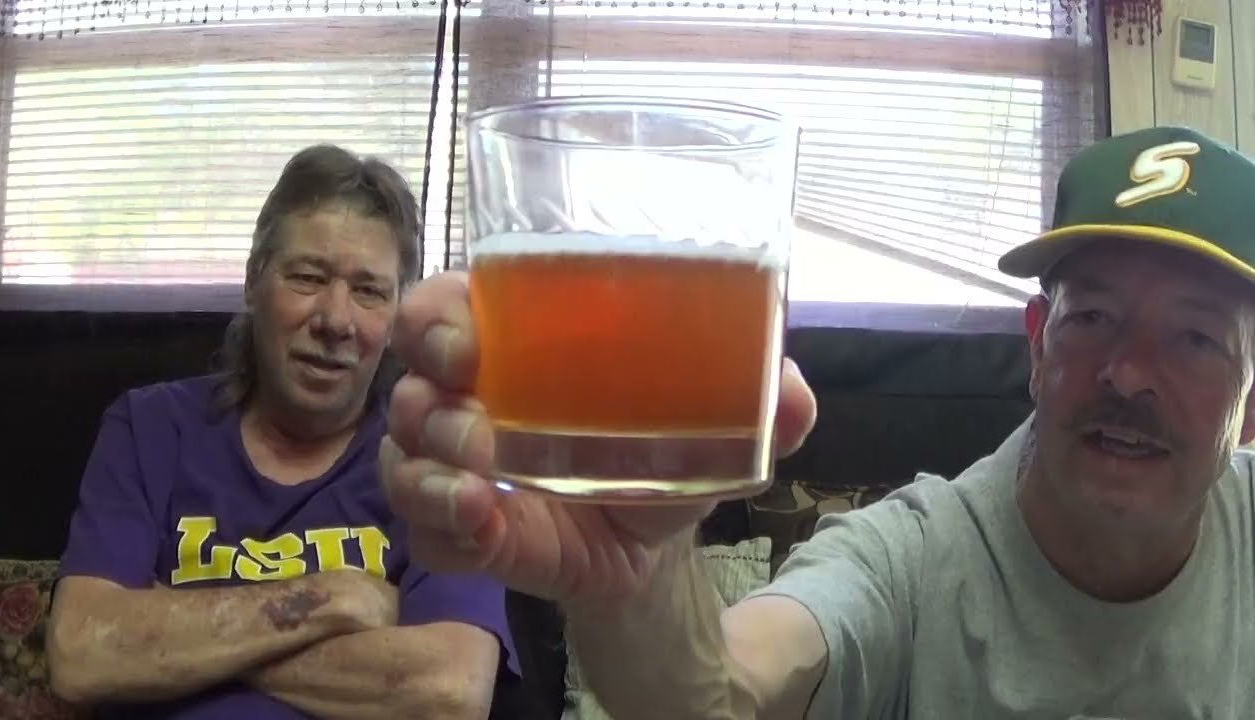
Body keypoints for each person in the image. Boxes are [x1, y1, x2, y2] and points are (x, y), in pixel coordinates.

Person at [379, 125, 1255, 719]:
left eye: (1194, 338)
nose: (1128, 373)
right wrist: (634, 577)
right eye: (1092, 318)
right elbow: (722, 694)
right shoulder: (914, 558)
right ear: (1037, 345)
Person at [47, 144, 519, 720]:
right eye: (307, 277)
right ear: (254, 281)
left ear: (399, 314)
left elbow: (449, 691)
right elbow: (80, 654)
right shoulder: (149, 428)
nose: (336, 320)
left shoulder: (437, 458)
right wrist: (334, 598)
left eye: (369, 291)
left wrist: (174, 635)